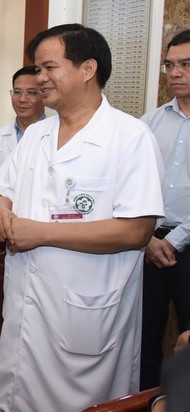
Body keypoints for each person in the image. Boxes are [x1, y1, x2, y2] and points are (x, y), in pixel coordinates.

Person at [0, 24, 164, 411]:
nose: (39, 78)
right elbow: (3, 193)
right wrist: (0, 212)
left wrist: (42, 233)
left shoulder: (129, 137)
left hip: (87, 316)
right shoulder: (37, 134)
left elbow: (136, 231)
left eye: (49, 67)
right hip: (26, 307)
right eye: (37, 69)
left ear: (88, 69)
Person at [140, 28, 190, 391]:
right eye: (170, 65)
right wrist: (148, 239)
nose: (175, 73)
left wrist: (175, 240)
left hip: (186, 248)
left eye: (186, 64)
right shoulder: (150, 123)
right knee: (142, 336)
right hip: (148, 245)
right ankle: (141, 400)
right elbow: (131, 186)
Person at [0, 66, 46, 231]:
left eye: (32, 92)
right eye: (17, 92)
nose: (22, 99)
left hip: (38, 232)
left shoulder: (56, 137)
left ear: (44, 95)